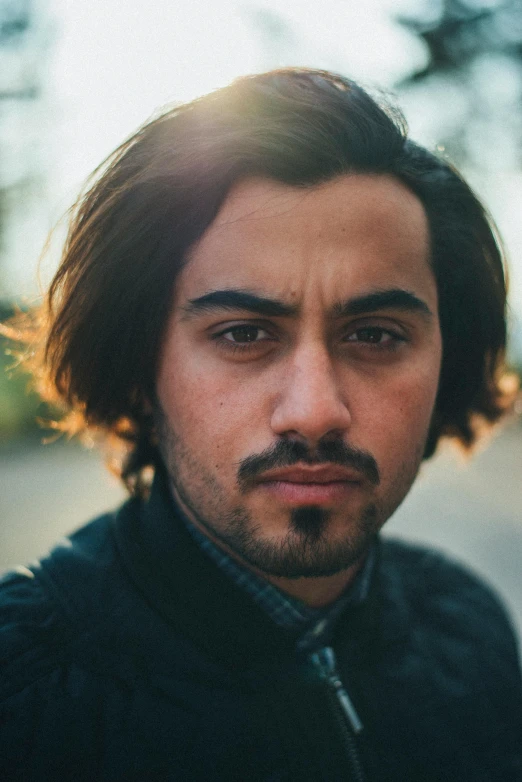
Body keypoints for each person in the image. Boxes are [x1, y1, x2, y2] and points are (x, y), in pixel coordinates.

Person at [1, 68, 521, 782]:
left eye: (375, 335)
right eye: (244, 334)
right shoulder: (20, 696)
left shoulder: (472, 629)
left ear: (448, 365)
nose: (313, 410)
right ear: (136, 369)